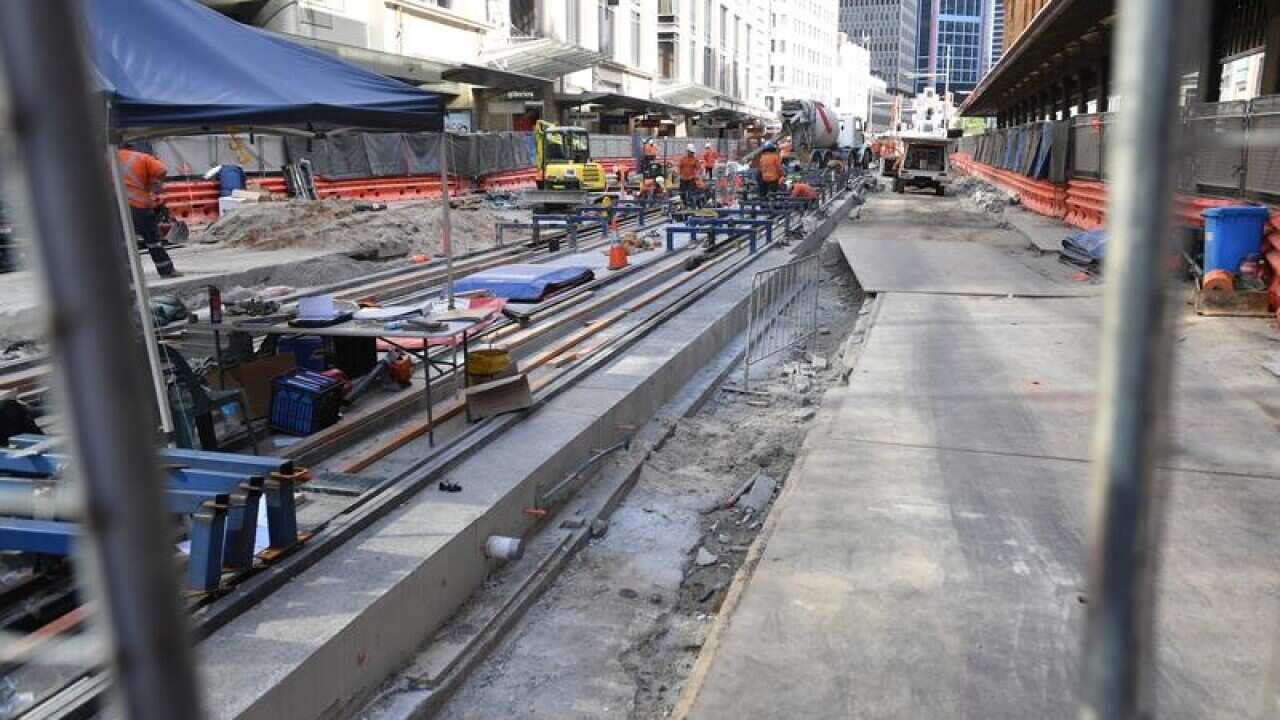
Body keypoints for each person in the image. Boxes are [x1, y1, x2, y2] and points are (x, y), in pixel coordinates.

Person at [117, 143, 180, 277]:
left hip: (117, 205)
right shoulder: (142, 157)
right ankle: (166, 270)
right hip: (140, 205)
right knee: (152, 240)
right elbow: (161, 170)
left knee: (122, 242)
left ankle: (127, 276)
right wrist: (152, 184)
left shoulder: (107, 158)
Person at [676, 144, 702, 208]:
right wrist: (678, 174)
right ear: (688, 151)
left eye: (693, 152)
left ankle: (691, 206)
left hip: (691, 179)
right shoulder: (683, 159)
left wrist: (697, 174)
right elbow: (679, 167)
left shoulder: (695, 159)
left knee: (691, 193)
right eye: (691, 152)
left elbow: (699, 168)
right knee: (682, 193)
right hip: (683, 178)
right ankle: (685, 205)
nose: (692, 153)